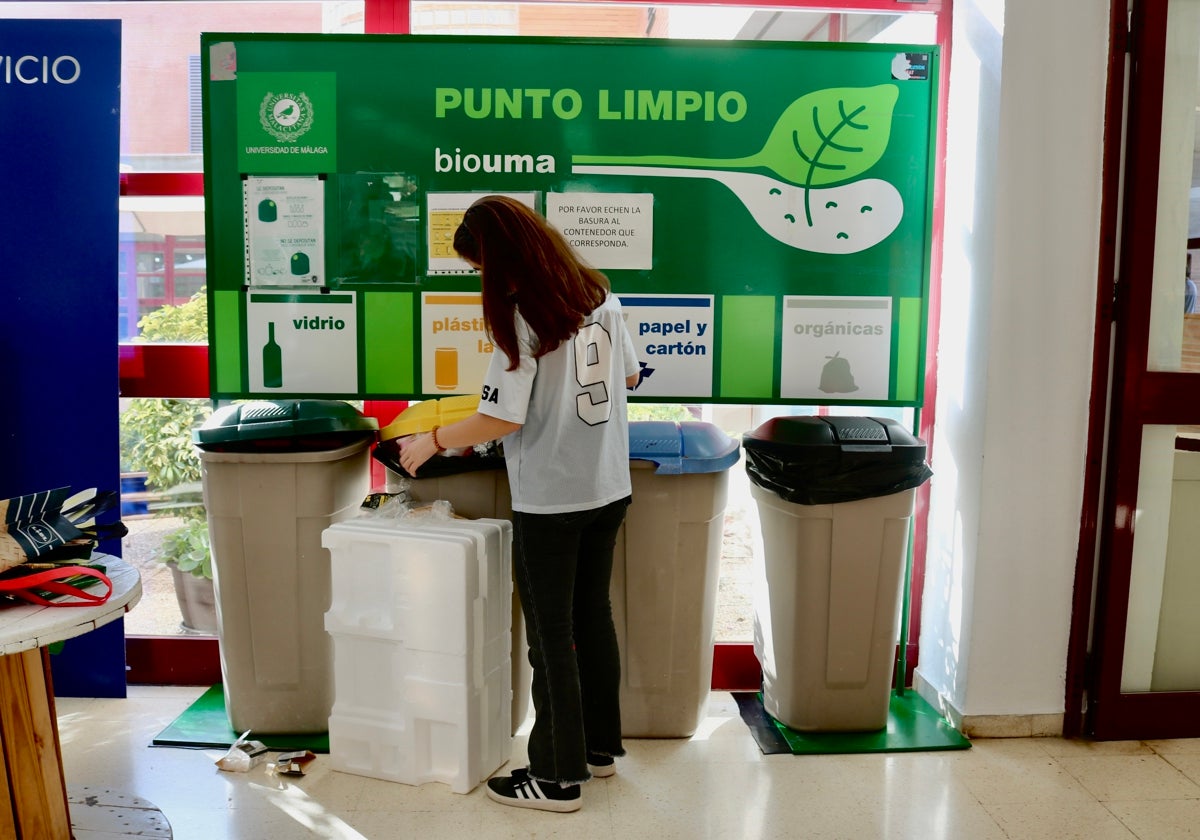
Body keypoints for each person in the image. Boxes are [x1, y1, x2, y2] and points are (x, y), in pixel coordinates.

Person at [398, 195, 640, 813]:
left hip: (553, 496)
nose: (482, 279)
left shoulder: (522, 316)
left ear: (503, 258)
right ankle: (598, 751)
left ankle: (556, 778)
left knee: (551, 636)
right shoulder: (600, 296)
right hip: (607, 486)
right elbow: (632, 377)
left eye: (481, 267)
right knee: (592, 617)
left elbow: (498, 418)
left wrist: (431, 440)